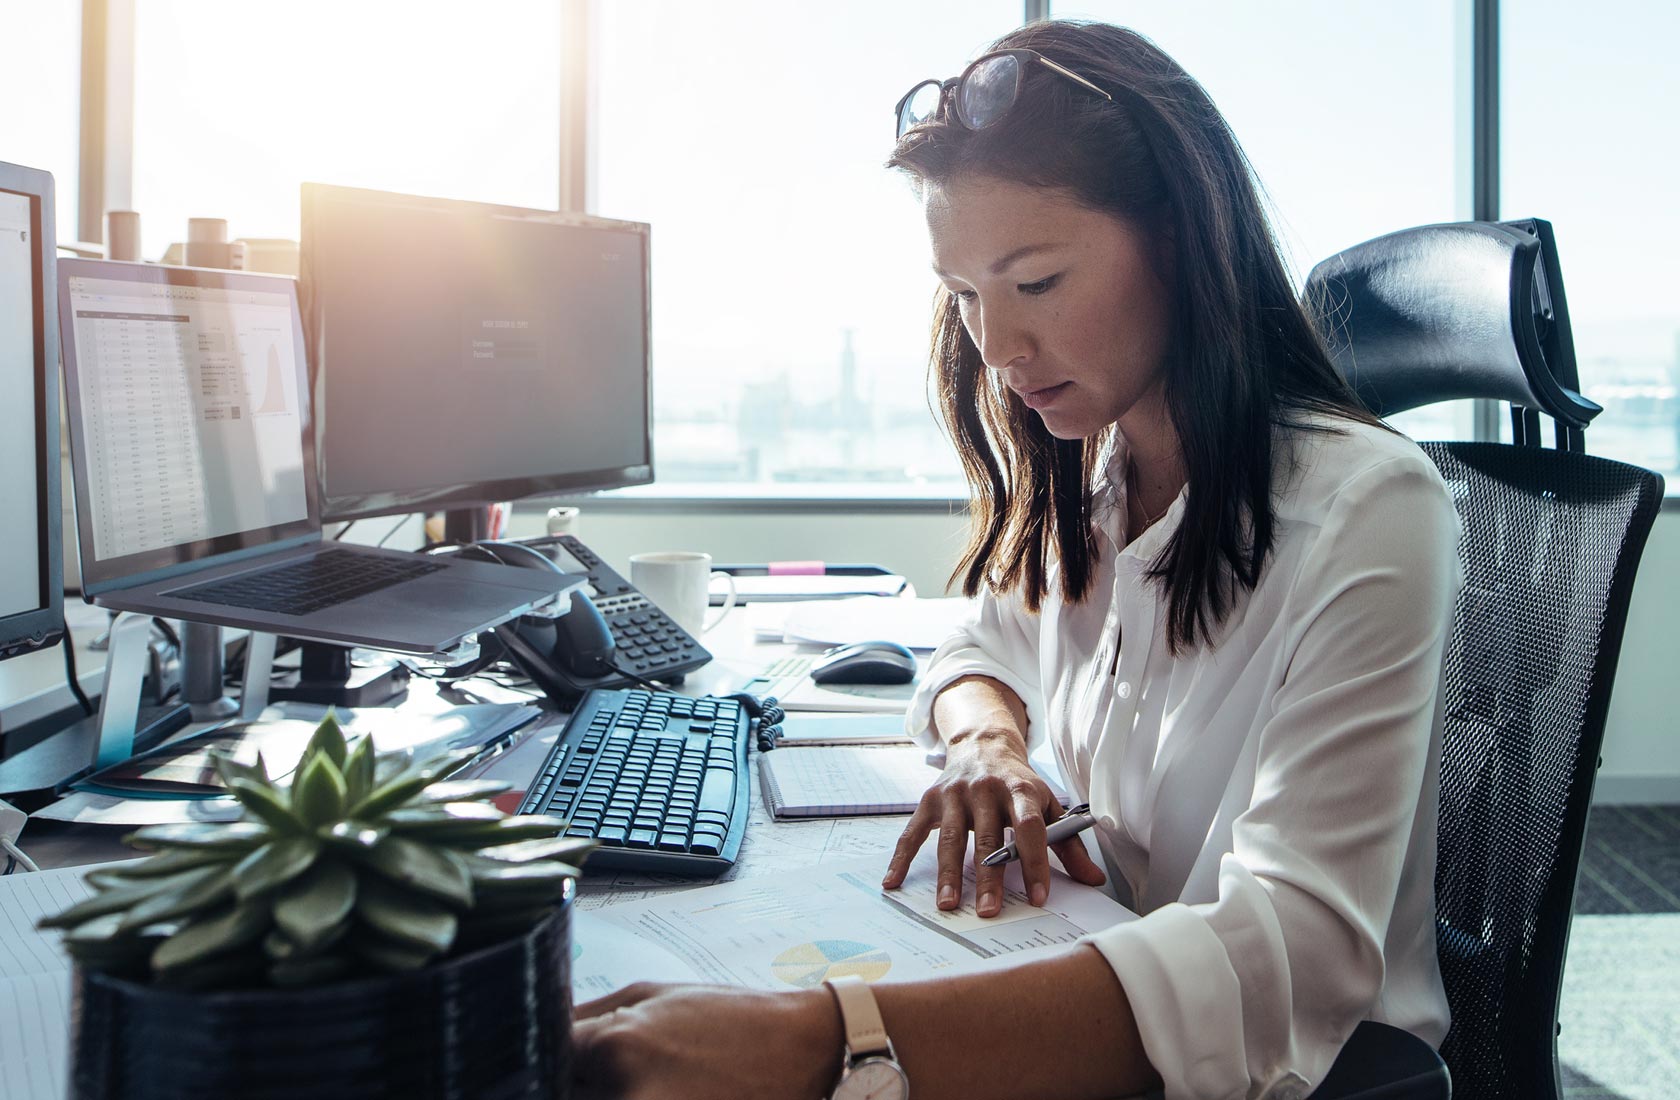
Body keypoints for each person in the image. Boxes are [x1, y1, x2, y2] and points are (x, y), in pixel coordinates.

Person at [571, 19, 1460, 1100]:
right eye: (964, 296)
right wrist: (989, 743)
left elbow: (1296, 950)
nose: (995, 347)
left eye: (1034, 282)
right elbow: (974, 645)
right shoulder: (1099, 474)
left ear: (1180, 239)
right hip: (1089, 973)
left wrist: (828, 1037)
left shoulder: (1369, 506)